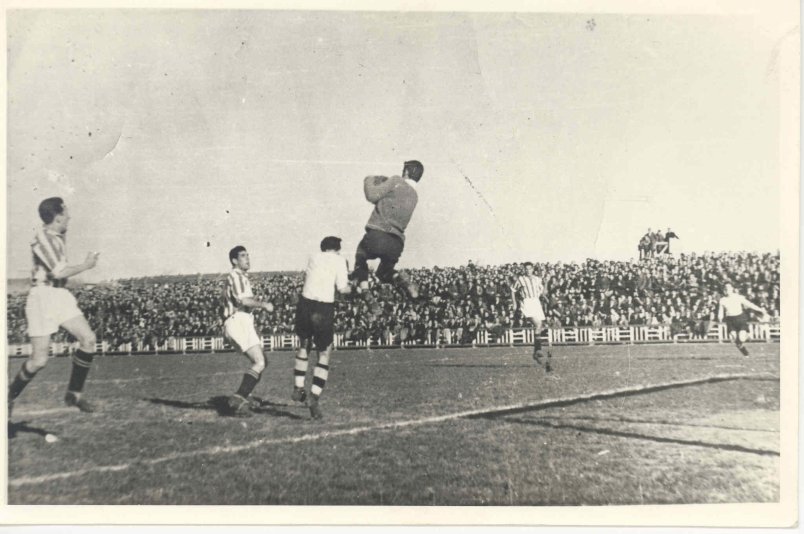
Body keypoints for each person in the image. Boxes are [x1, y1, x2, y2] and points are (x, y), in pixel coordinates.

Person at [8, 197, 101, 416]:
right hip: (42, 297)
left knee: (88, 340)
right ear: (58, 217)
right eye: (66, 212)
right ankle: (8, 397)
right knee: (39, 360)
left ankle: (74, 394)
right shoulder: (44, 239)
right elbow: (59, 272)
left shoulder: (56, 236)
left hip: (59, 295)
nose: (69, 216)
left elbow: (61, 238)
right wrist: (86, 265)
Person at [292, 236, 351, 419]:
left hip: (305, 303)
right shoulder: (340, 260)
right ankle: (314, 397)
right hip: (323, 307)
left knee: (304, 346)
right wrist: (353, 287)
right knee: (324, 353)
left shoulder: (312, 256)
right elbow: (342, 289)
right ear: (338, 249)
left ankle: (298, 386)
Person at [351, 160, 423, 300]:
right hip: (397, 243)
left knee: (361, 255)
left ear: (406, 171)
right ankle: (402, 279)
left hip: (378, 234)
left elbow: (371, 195)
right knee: (384, 273)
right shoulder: (414, 195)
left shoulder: (396, 181)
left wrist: (369, 179)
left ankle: (365, 291)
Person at [221, 246, 274, 417]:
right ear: (234, 261)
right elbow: (243, 300)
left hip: (242, 321)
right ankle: (238, 399)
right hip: (238, 321)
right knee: (259, 362)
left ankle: (245, 395)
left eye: (248, 255)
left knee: (262, 360)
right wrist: (264, 305)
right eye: (243, 256)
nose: (247, 258)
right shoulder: (235, 276)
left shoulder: (241, 277)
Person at [511, 262, 552, 372]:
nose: (528, 271)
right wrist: (515, 303)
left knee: (540, 326)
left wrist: (546, 283)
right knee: (537, 324)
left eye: (530, 269)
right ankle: (537, 350)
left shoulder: (537, 279)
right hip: (527, 302)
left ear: (533, 269)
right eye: (526, 269)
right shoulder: (521, 279)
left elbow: (543, 292)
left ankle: (536, 352)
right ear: (524, 270)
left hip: (536, 302)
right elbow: (513, 290)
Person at [717, 282, 767, 356]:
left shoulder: (738, 297)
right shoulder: (722, 300)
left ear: (732, 289)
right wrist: (720, 318)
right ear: (724, 289)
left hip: (740, 318)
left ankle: (746, 335)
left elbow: (749, 304)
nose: (727, 289)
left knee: (741, 338)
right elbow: (720, 310)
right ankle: (746, 353)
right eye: (725, 288)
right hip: (730, 320)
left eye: (729, 287)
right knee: (734, 337)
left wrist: (760, 309)